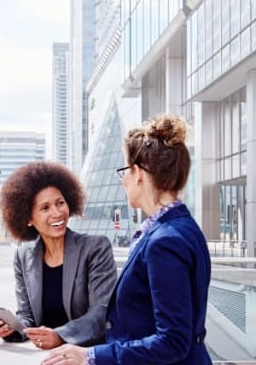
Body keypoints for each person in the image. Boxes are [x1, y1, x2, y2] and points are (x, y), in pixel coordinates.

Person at [43, 114, 212, 365]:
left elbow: (173, 341)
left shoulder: (165, 242)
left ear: (138, 173)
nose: (123, 181)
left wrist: (90, 356)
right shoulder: (181, 228)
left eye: (124, 171)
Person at [0, 161, 117, 350]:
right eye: (45, 208)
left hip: (86, 353)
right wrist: (11, 329)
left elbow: (101, 312)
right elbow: (27, 316)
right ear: (28, 218)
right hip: (45, 356)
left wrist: (60, 336)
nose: (57, 213)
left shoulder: (95, 247)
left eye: (60, 203)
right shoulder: (23, 256)